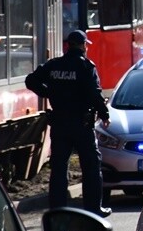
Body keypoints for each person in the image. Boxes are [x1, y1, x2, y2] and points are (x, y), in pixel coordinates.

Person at [25, 29, 112, 217]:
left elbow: (30, 81)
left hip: (60, 123)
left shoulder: (53, 65)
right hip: (82, 124)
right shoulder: (86, 67)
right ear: (82, 46)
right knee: (90, 166)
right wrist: (104, 114)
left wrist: (50, 92)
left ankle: (57, 210)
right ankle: (93, 209)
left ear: (68, 45)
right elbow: (94, 94)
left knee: (58, 167)